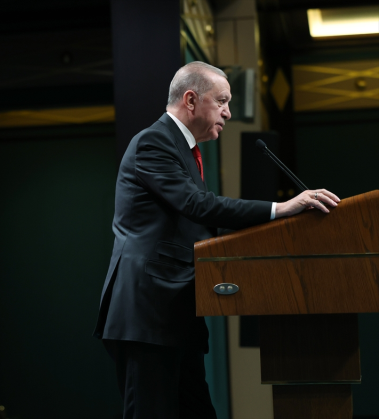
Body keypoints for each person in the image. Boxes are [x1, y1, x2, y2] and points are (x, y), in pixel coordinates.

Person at [93, 61, 339, 418]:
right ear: (191, 100)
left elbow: (196, 224)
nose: (228, 112)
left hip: (176, 314)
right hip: (148, 314)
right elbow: (198, 205)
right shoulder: (153, 142)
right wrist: (281, 209)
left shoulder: (184, 149)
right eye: (221, 101)